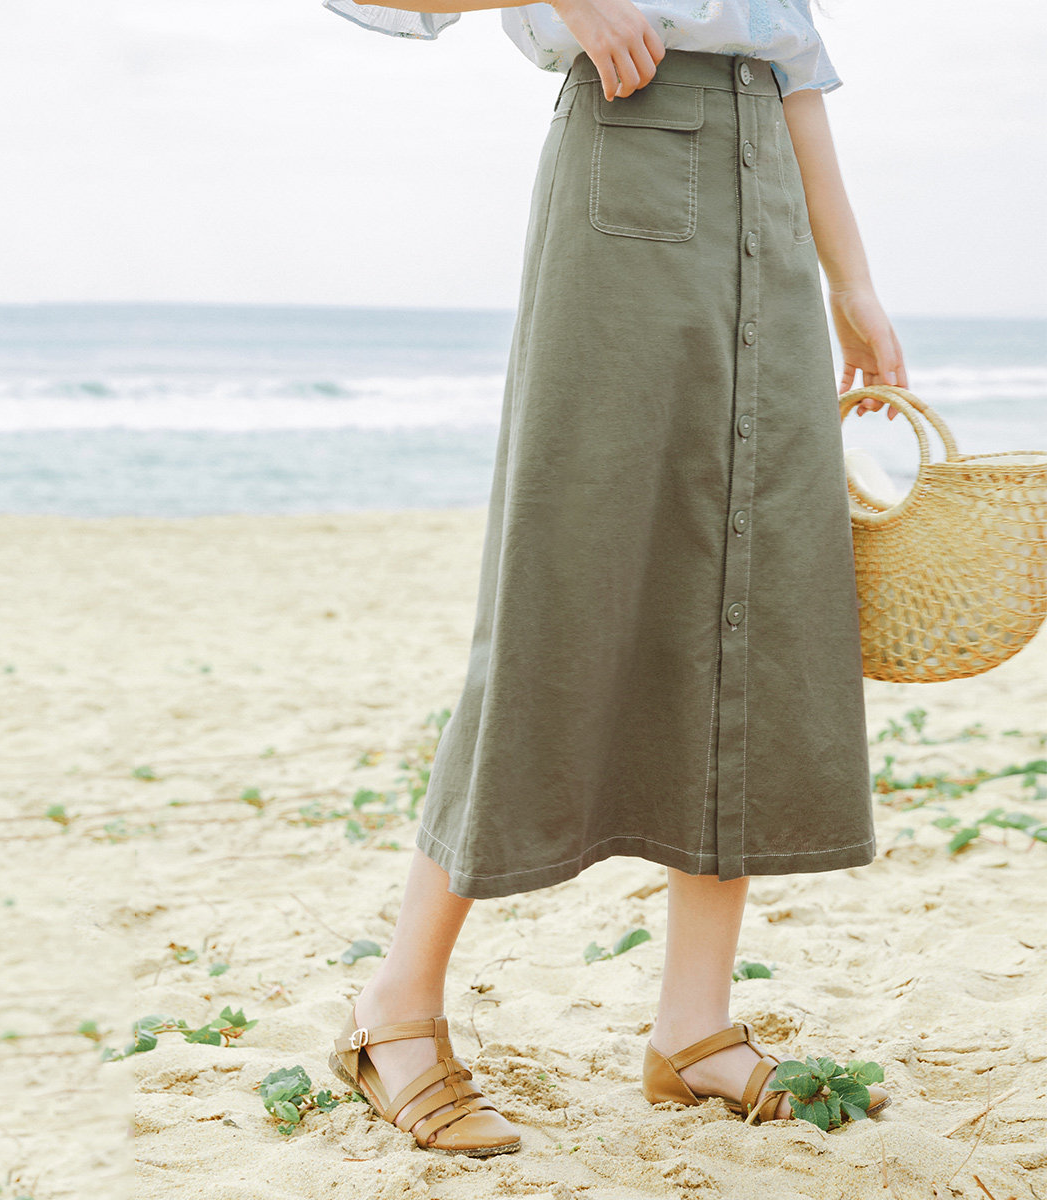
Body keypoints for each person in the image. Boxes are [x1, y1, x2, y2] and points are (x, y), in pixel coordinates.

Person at [322, 0, 908, 1156]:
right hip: (629, 172)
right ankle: (393, 1006)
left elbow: (789, 61)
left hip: (769, 198)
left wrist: (853, 282)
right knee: (563, 587)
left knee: (755, 588)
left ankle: (692, 1027)